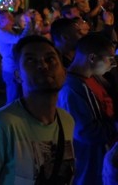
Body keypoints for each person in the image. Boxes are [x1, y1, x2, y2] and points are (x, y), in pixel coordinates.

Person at [0, 35, 75, 184]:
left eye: (50, 59)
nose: (43, 66)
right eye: (31, 60)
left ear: (64, 72)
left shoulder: (67, 121)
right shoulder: (1, 125)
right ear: (18, 75)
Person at [57, 32, 117, 185]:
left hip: (100, 153)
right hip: (90, 160)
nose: (113, 64)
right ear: (92, 58)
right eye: (110, 59)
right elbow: (87, 133)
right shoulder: (71, 89)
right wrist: (115, 125)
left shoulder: (91, 77)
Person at [0, 9, 32, 103]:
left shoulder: (8, 29)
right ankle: (9, 115)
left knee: (17, 94)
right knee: (13, 95)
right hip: (10, 68)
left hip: (13, 66)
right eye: (9, 16)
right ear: (2, 20)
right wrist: (28, 23)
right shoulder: (3, 33)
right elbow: (20, 39)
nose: (12, 17)